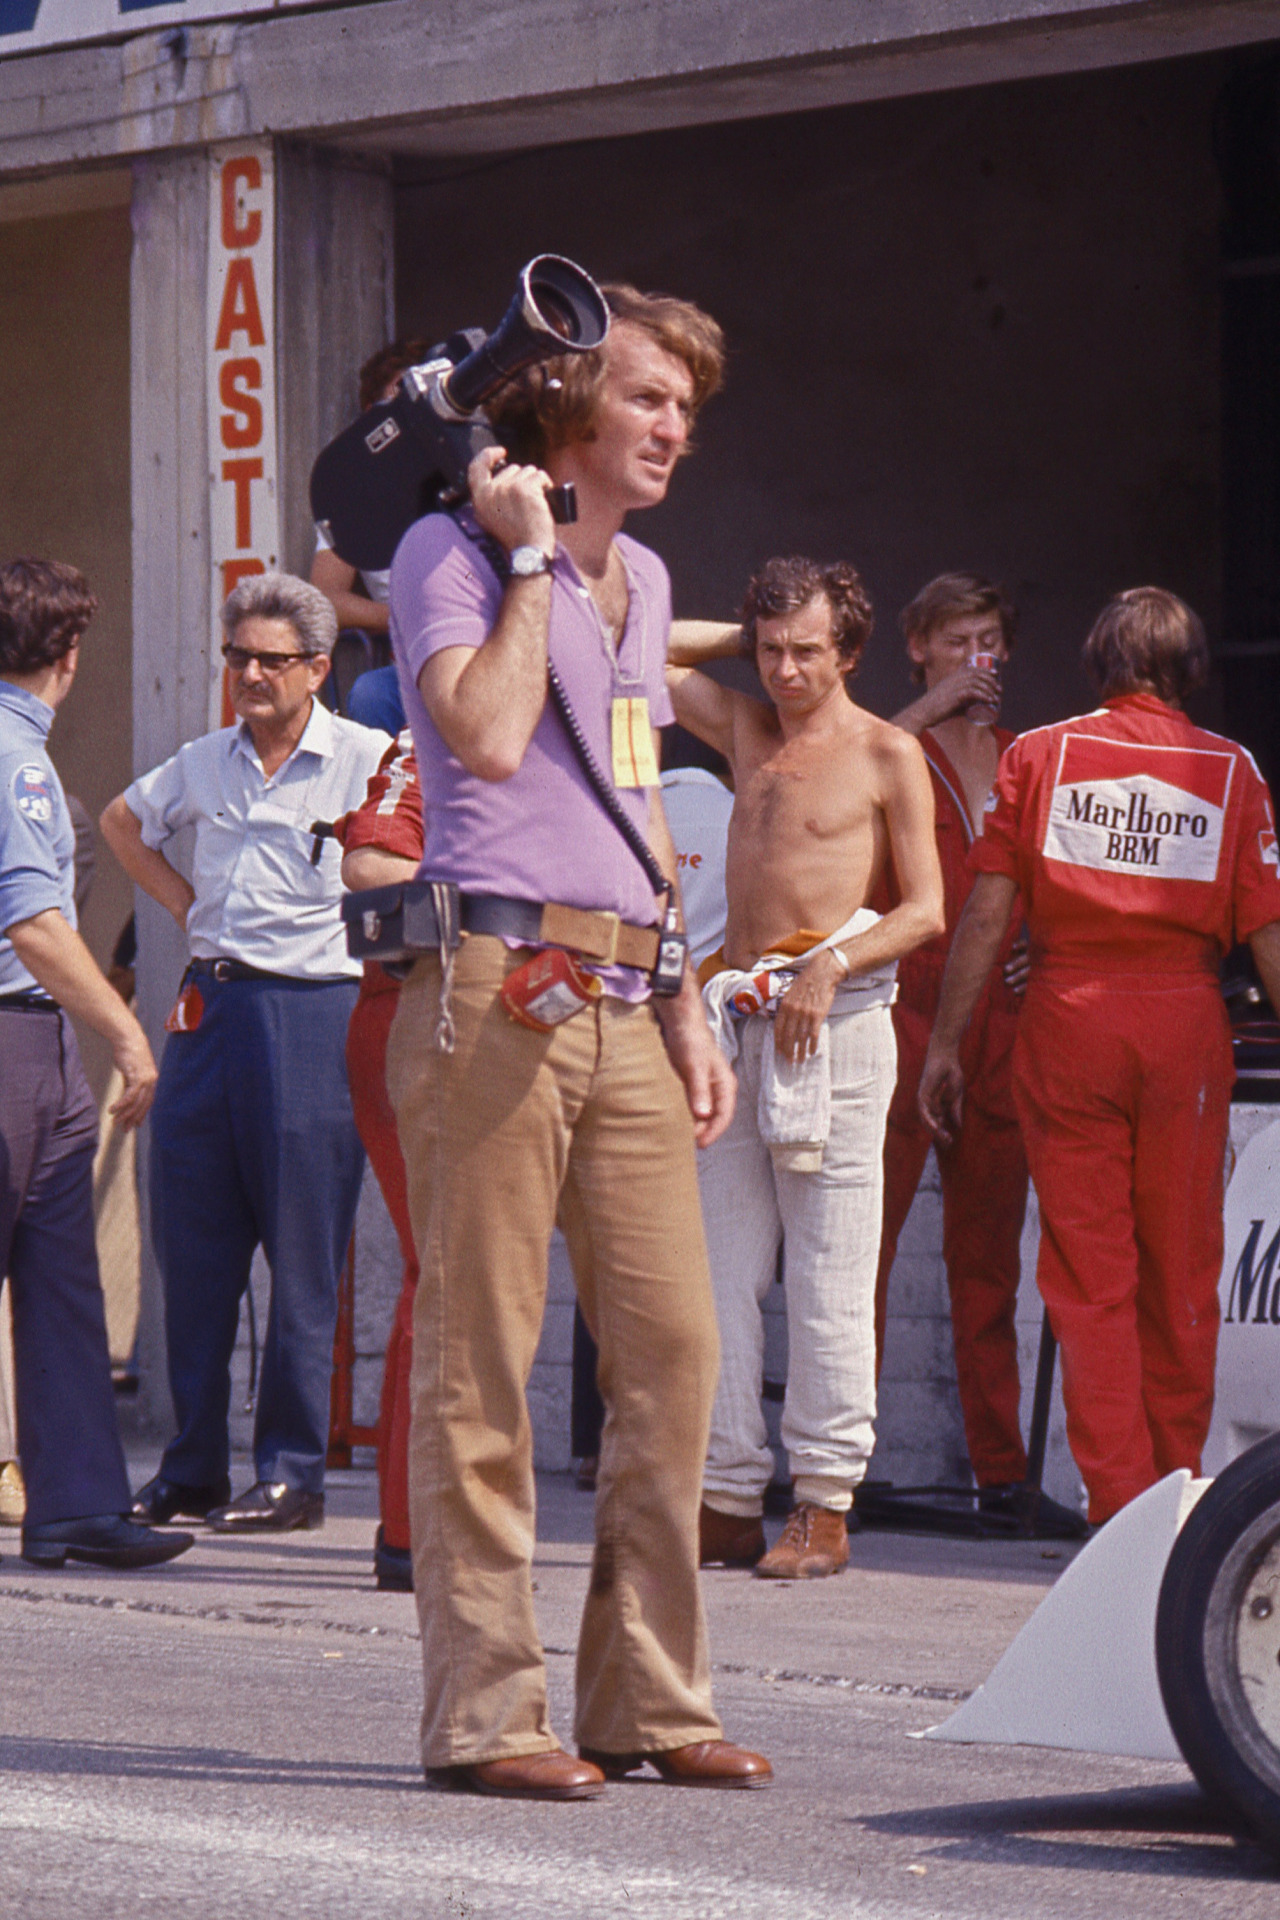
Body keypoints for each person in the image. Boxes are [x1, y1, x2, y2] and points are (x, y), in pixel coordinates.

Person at [387, 283, 771, 1799]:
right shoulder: (452, 554)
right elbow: (480, 734)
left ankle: (645, 1700)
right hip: (490, 980)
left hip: (622, 992)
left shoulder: (656, 578)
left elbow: (633, 799)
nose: (675, 426)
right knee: (485, 1364)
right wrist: (534, 556)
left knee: (675, 1352)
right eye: (649, 399)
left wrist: (686, 1001)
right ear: (563, 411)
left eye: (687, 405)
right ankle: (487, 1715)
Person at [919, 587, 1280, 1526]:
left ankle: (1117, 1509)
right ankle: (1178, 1501)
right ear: (1191, 668)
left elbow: (988, 914)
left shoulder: (1038, 755)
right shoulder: (1232, 770)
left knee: (1088, 1277)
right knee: (1183, 1267)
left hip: (1067, 1019)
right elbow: (1271, 934)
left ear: (1099, 663)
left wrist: (946, 1047)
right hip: (1183, 1028)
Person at [666, 557, 945, 1579]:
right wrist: (746, 635)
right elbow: (637, 648)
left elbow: (924, 909)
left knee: (827, 1272)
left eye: (806, 650)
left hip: (838, 1026)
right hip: (740, 1022)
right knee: (715, 1271)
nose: (784, 669)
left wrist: (829, 961)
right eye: (771, 649)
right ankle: (727, 1492)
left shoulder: (884, 753)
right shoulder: (747, 731)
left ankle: (823, 1502)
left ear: (850, 653)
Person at [101, 573, 389, 1533]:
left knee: (303, 1259)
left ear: (317, 667)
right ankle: (191, 1468)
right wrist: (185, 909)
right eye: (238, 659)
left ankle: (292, 1473)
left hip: (314, 1011)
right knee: (194, 1252)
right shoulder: (206, 760)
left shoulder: (367, 758)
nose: (251, 676)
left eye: (272, 661)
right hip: (208, 1011)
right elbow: (121, 824)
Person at [0, 558, 191, 1570]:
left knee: (61, 1270)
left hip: (29, 1043)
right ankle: (72, 1496)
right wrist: (125, 1037)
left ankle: (75, 1497)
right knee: (56, 1274)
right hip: (15, 1039)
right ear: (67, 657)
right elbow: (32, 921)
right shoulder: (18, 758)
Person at [874, 573, 1033, 1503]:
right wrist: (933, 707)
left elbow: (1053, 878)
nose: (982, 657)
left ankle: (1002, 1475)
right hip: (904, 1004)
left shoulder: (1023, 758)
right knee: (868, 1249)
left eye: (991, 640)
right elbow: (837, 772)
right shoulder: (898, 744)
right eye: (961, 640)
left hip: (996, 1021)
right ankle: (837, 1471)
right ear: (922, 649)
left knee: (988, 1259)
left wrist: (1041, 949)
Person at [335, 728, 423, 1591]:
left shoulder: (595, 725)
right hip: (414, 1015)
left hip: (549, 1026)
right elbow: (368, 864)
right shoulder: (433, 727)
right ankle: (407, 1529)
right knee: (439, 1275)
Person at [312, 338, 429, 736]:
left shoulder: (473, 468)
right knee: (368, 695)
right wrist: (401, 618)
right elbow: (325, 598)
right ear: (371, 418)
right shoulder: (355, 495)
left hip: (488, 655)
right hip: (415, 668)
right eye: (398, 399)